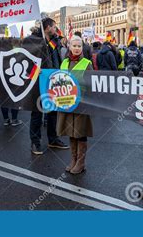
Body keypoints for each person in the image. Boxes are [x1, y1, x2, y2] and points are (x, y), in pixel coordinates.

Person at [25, 18, 69, 155]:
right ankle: (35, 142)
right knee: (37, 112)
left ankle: (53, 138)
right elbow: (27, 60)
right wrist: (36, 72)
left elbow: (56, 59)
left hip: (53, 80)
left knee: (52, 111)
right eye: (54, 26)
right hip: (38, 80)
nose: (56, 29)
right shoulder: (33, 40)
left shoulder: (54, 41)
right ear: (48, 27)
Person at [57, 35, 94, 174]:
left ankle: (81, 162)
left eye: (79, 46)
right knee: (71, 132)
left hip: (81, 103)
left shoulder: (87, 63)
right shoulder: (64, 62)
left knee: (80, 132)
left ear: (82, 47)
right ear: (69, 46)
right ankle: (73, 159)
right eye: (74, 45)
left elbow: (92, 85)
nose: (77, 48)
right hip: (67, 102)